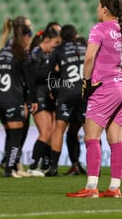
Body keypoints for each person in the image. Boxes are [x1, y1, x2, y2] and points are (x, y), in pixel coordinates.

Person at [67, 0, 122, 198]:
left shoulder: (99, 29)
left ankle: (92, 187)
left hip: (104, 89)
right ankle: (114, 188)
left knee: (92, 138)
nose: (97, 10)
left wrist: (85, 82)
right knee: (116, 140)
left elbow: (89, 57)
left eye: (98, 6)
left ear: (104, 9)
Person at [0, 16, 37, 178]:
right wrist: (31, 100)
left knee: (12, 134)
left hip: (0, 100)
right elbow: (29, 79)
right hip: (14, 99)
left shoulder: (4, 51)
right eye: (29, 32)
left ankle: (12, 164)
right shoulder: (20, 52)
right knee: (17, 135)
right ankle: (10, 168)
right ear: (25, 35)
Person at [44, 24, 87, 176]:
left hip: (66, 93)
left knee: (59, 128)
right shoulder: (85, 46)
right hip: (85, 93)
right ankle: (95, 168)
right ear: (75, 35)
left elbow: (48, 72)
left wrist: (53, 91)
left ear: (61, 37)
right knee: (90, 131)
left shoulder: (58, 50)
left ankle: (54, 167)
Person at [27, 22, 62, 176]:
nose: (55, 48)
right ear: (47, 40)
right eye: (54, 45)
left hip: (49, 96)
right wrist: (52, 70)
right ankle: (33, 166)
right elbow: (33, 75)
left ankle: (45, 164)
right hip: (38, 96)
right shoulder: (35, 53)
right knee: (45, 132)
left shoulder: (47, 54)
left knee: (52, 132)